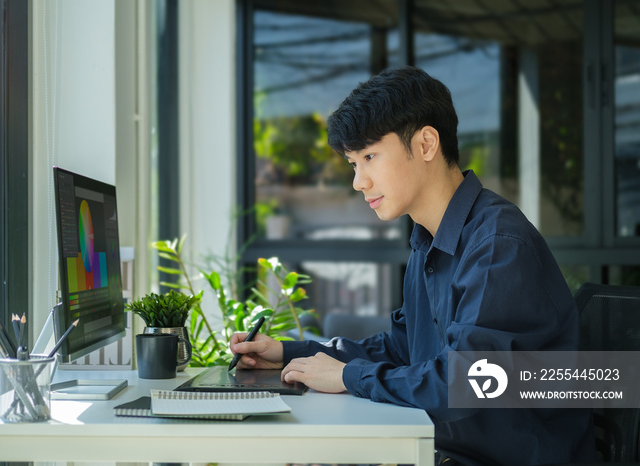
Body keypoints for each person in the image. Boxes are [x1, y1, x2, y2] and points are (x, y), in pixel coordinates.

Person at [230, 66, 596, 465]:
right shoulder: (428, 241)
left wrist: (348, 377)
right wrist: (289, 353)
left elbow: (469, 382)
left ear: (425, 144)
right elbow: (404, 349)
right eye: (354, 163)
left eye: (369, 156)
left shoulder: (497, 244)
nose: (359, 182)